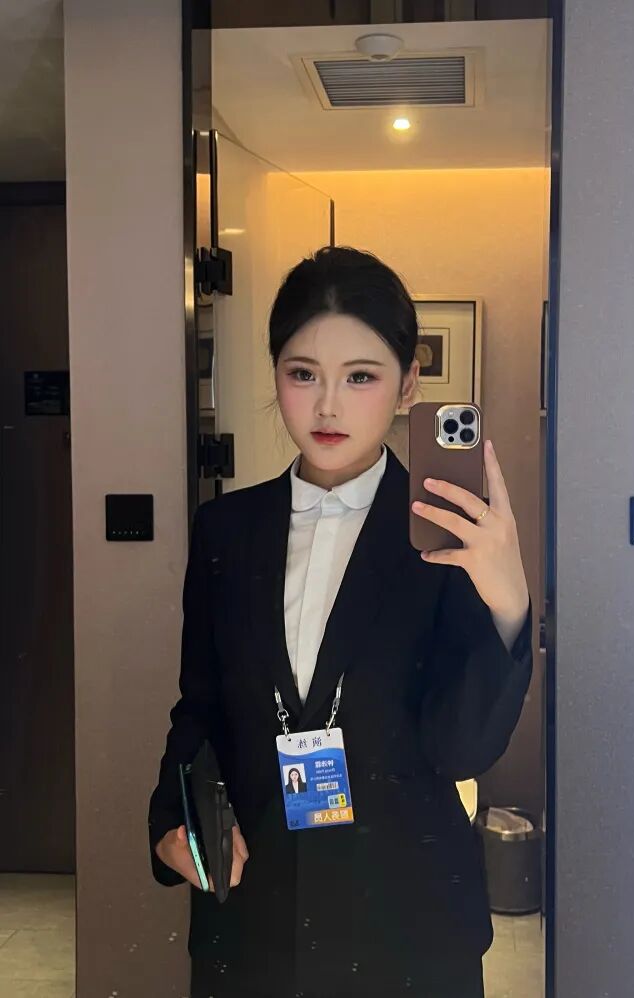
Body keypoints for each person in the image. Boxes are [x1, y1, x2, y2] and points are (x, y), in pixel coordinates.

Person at [148, 246, 533, 998]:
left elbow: (461, 749)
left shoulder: (448, 538)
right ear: (275, 374)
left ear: (408, 385)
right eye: (303, 374)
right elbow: (200, 708)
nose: (328, 406)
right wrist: (173, 818)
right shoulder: (226, 530)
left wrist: (508, 602)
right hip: (255, 914)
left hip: (406, 923)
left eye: (360, 376)